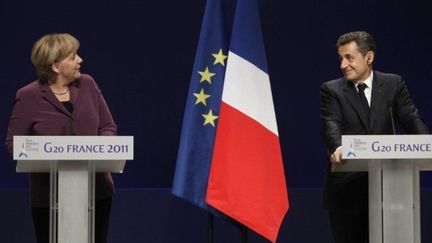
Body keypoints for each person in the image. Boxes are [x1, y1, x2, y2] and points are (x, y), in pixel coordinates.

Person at [5, 33, 117, 243]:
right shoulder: (28, 95)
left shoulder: (88, 84)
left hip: (96, 190)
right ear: (55, 66)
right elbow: (13, 143)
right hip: (49, 196)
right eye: (73, 56)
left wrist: (103, 146)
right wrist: (46, 152)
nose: (80, 60)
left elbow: (108, 127)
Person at [320, 31, 429, 243]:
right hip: (348, 191)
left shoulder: (393, 84)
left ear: (368, 57)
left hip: (390, 190)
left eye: (349, 57)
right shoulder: (331, 90)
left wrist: (427, 144)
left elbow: (411, 118)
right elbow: (330, 123)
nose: (343, 65)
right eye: (341, 58)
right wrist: (336, 147)